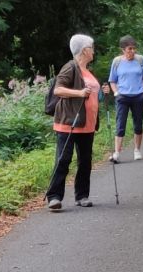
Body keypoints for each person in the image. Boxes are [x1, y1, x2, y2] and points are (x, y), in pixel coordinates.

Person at [47, 34, 101, 211]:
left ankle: (82, 196)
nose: (93, 51)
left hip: (87, 124)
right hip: (69, 122)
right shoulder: (70, 67)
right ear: (85, 50)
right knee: (63, 159)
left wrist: (103, 91)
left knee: (85, 161)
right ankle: (54, 197)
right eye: (91, 48)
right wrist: (79, 93)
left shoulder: (87, 71)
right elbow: (58, 90)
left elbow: (92, 93)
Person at [105, 36, 143, 163]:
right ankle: (117, 153)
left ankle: (137, 150)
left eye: (134, 48)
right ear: (123, 49)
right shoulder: (117, 61)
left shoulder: (140, 60)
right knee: (120, 124)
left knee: (138, 124)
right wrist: (116, 93)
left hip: (138, 96)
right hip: (123, 97)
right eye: (129, 49)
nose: (132, 51)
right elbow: (112, 80)